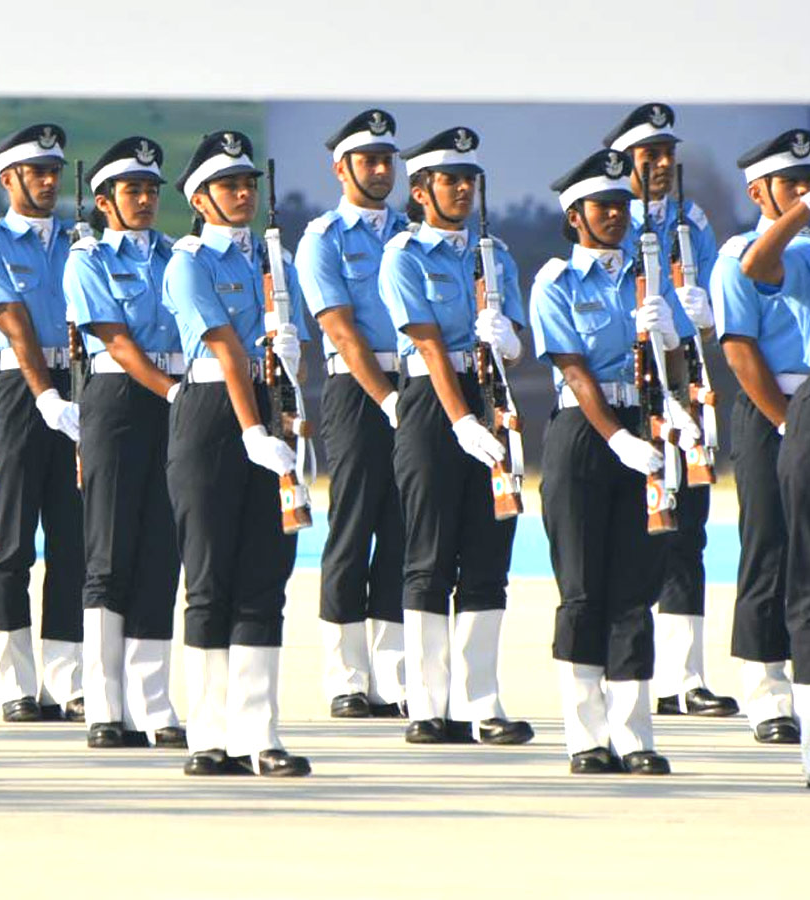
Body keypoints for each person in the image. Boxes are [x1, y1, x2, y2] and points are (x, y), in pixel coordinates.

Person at [530, 148, 702, 774]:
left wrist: (678, 404)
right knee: (582, 590)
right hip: (584, 432)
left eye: (623, 206)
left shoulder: (647, 274)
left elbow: (680, 354)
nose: (616, 216)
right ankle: (585, 735)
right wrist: (616, 439)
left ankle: (634, 734)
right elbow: (573, 371)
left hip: (647, 420)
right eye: (603, 207)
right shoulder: (555, 281)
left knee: (635, 588)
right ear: (575, 215)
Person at [162, 130, 312, 777]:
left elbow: (289, 341)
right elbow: (223, 348)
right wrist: (254, 430)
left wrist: (288, 380)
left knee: (265, 581)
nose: (243, 193)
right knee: (210, 580)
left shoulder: (274, 261)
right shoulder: (189, 261)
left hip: (272, 407)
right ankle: (208, 736)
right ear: (200, 197)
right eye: (229, 185)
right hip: (214, 419)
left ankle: (261, 736)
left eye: (248, 182)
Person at [378, 127, 532, 746]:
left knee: (489, 551)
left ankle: (482, 702)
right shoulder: (404, 256)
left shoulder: (495, 256)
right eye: (450, 180)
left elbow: (513, 347)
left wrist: (509, 342)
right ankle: (427, 704)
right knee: (430, 553)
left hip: (491, 395)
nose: (463, 190)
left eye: (470, 180)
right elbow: (429, 346)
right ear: (421, 190)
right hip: (430, 404)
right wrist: (461, 421)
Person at [602, 103, 737, 717]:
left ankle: (684, 677)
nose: (660, 164)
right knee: (633, 534)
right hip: (628, 389)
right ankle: (626, 669)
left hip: (684, 382)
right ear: (623, 160)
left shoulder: (692, 219)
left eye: (666, 154)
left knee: (688, 533)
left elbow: (710, 294)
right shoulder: (603, 214)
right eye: (647, 155)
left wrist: (701, 308)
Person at [62, 136, 186, 749]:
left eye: (150, 190)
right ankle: (105, 707)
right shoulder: (87, 259)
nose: (143, 200)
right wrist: (173, 392)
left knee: (162, 553)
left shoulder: (176, 255)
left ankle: (154, 704)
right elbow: (115, 341)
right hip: (119, 400)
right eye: (131, 191)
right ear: (104, 201)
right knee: (109, 553)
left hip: (177, 397)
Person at [0, 123, 85, 724]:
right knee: (12, 542)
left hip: (79, 384)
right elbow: (11, 319)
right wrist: (44, 394)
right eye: (36, 172)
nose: (47, 182)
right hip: (21, 388)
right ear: (8, 178)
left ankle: (66, 681)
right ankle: (15, 682)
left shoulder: (79, 239)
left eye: (53, 172)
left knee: (74, 541)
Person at [294, 109, 406, 719]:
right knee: (354, 524)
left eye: (388, 160)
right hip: (358, 390)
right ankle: (345, 676)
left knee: (403, 530)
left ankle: (392, 676)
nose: (382, 170)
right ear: (341, 168)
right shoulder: (323, 240)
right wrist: (387, 399)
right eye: (368, 160)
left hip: (417, 384)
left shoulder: (412, 233)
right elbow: (340, 330)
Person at [710, 129, 810, 745]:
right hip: (771, 405)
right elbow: (740, 351)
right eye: (792, 184)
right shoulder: (739, 251)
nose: (803, 191)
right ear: (758, 191)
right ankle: (766, 689)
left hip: (806, 411)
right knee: (769, 543)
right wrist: (783, 420)